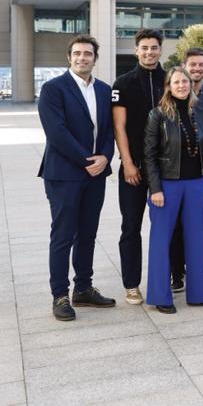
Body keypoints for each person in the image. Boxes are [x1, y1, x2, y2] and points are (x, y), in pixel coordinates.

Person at [38, 35, 117, 321]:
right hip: (64, 174)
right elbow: (56, 132)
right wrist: (88, 161)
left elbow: (109, 131)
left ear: (95, 58)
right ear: (69, 57)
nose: (82, 58)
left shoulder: (105, 90)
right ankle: (60, 294)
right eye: (77, 53)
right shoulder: (53, 89)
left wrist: (106, 157)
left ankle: (83, 288)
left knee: (88, 233)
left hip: (95, 174)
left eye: (88, 54)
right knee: (63, 235)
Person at [144, 67, 203, 313]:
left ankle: (198, 294)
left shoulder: (196, 113)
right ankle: (160, 296)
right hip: (167, 184)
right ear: (168, 86)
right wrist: (155, 188)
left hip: (196, 184)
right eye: (176, 82)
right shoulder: (157, 115)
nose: (181, 86)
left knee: (197, 238)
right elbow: (149, 155)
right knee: (161, 240)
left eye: (185, 81)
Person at [112, 28, 166, 305]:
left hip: (167, 168)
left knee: (169, 225)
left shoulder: (170, 80)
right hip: (133, 168)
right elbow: (119, 127)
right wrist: (128, 164)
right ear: (136, 50)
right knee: (131, 226)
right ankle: (131, 284)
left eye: (154, 47)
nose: (149, 52)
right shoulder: (122, 83)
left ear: (160, 50)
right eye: (144, 48)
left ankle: (172, 276)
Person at [171, 46, 203, 292]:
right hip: (177, 171)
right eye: (193, 65)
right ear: (184, 69)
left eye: (201, 64)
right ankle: (176, 272)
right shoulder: (172, 97)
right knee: (177, 226)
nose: (197, 68)